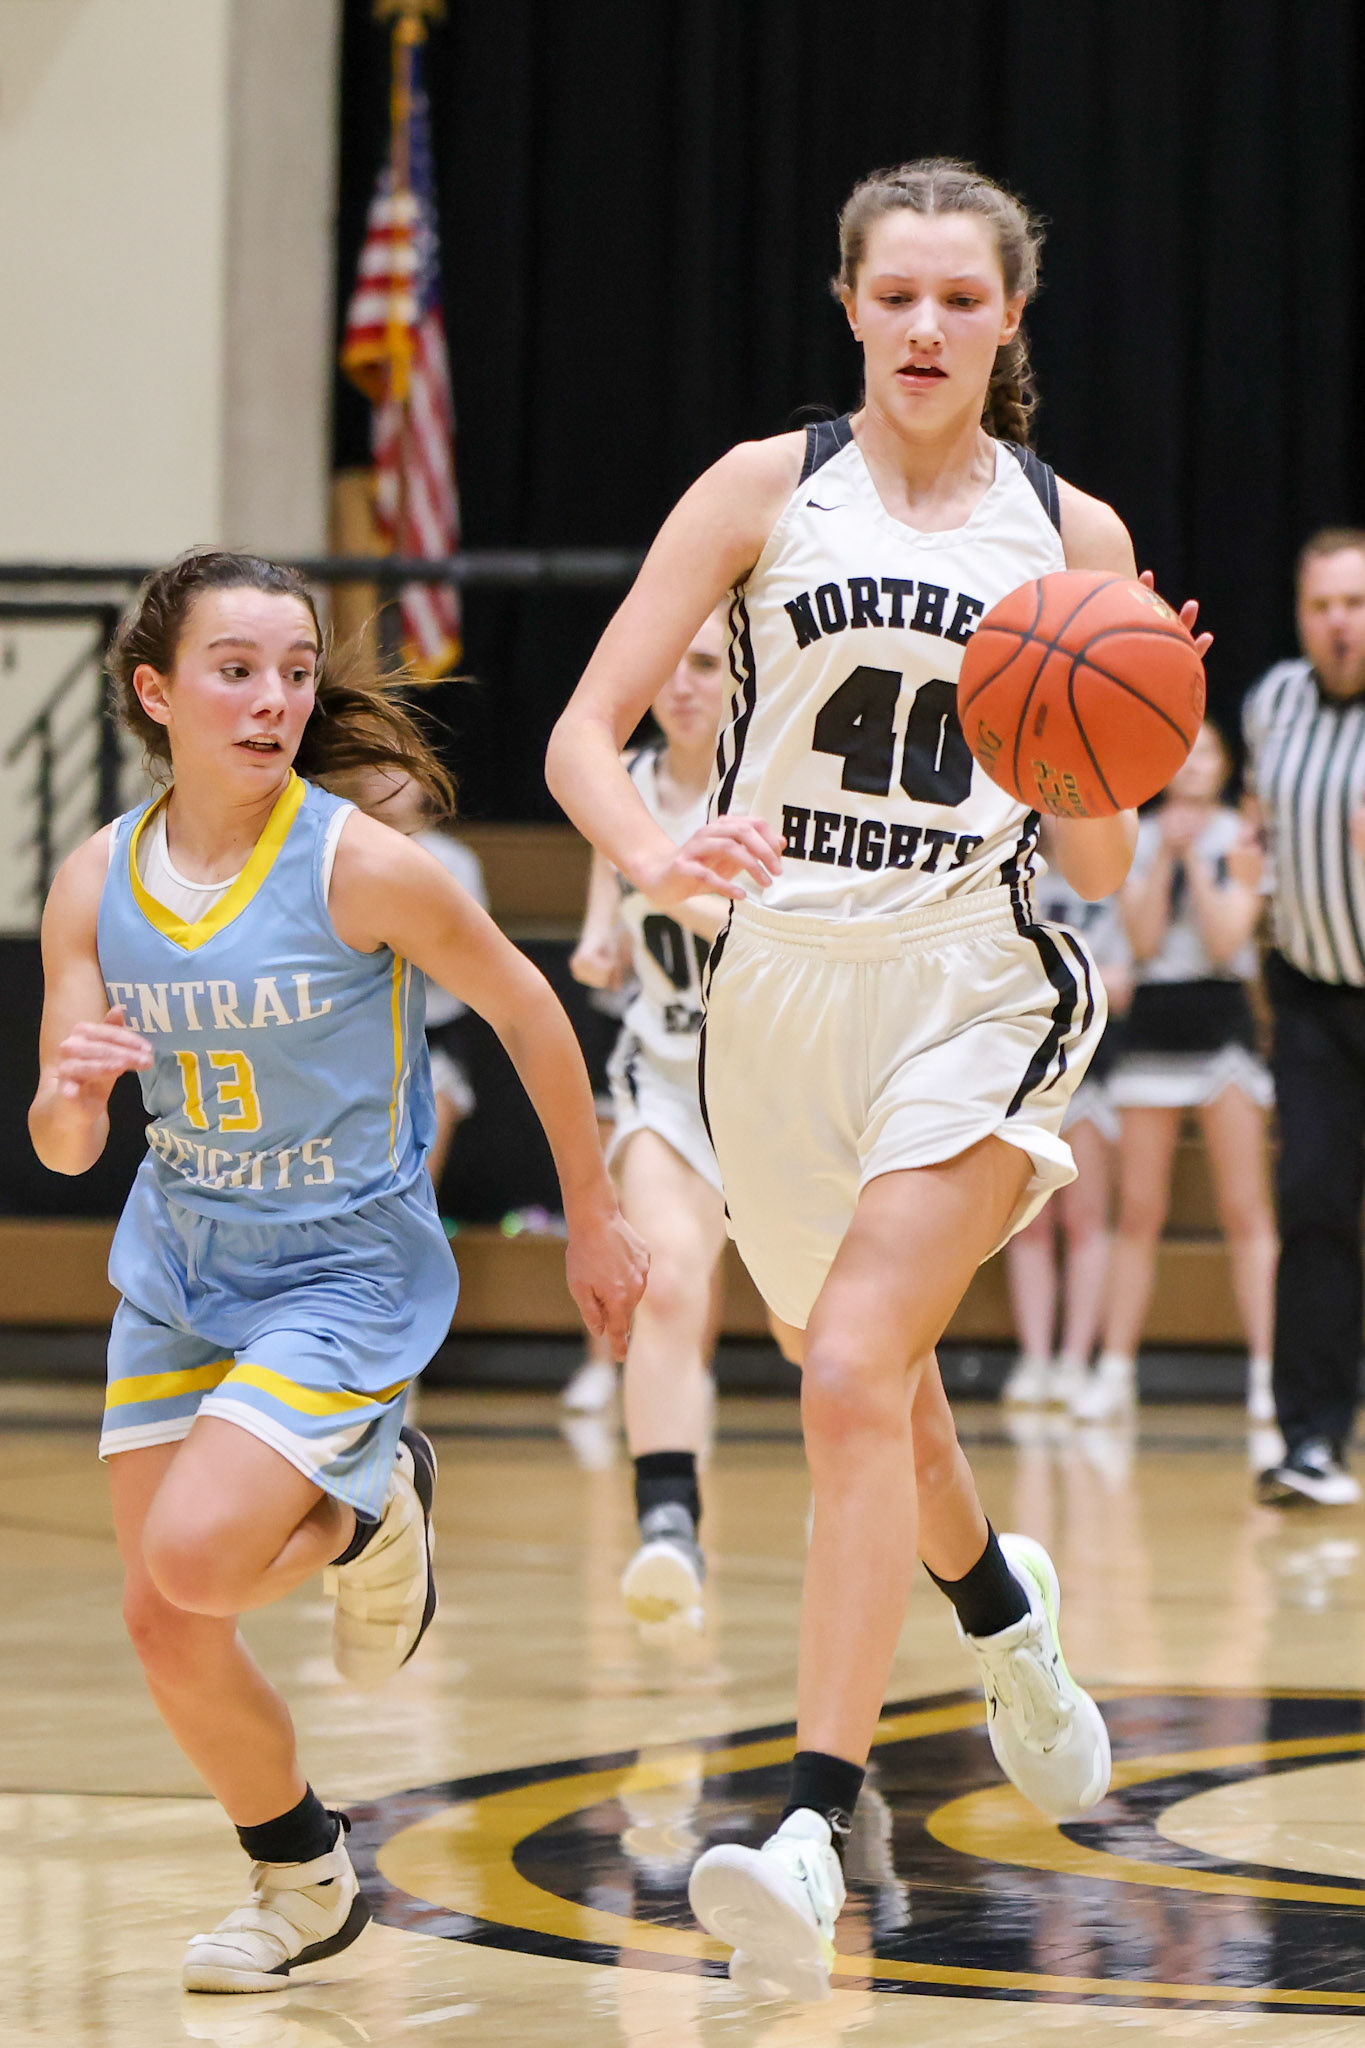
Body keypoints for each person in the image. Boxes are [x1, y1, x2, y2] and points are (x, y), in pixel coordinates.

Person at [547, 157, 1210, 2000]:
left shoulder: (1074, 542)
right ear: (850, 305)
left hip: (978, 985)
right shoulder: (768, 491)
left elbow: (1095, 871)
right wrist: (657, 846)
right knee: (876, 1395)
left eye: (962, 299)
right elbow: (580, 738)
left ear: (1011, 323)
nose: (927, 326)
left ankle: (806, 1819)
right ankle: (1004, 1615)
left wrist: (1129, 738)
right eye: (896, 294)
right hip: (774, 995)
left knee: (849, 1370)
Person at [28, 550, 646, 1995]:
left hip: (341, 1269)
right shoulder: (93, 882)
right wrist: (73, 1089)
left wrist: (597, 1216)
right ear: (155, 691)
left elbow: (529, 1007)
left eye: (296, 672)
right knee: (159, 1622)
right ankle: (304, 1878)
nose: (273, 700)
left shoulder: (359, 863)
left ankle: (372, 1510)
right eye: (237, 671)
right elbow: (63, 1149)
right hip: (183, 1262)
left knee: (194, 1558)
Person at [570, 608, 730, 1632]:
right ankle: (668, 1515)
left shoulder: (777, 784)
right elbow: (602, 933)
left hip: (778, 1084)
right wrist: (600, 953)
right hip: (666, 1074)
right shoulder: (619, 784)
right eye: (669, 666)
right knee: (664, 1279)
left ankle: (880, 1504)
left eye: (705, 663)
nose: (682, 684)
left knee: (830, 1337)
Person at [1070, 722, 1275, 1424]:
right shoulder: (1137, 834)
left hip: (1221, 1025)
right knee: (1139, 1212)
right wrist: (1164, 859)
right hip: (1154, 1025)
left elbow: (1224, 941)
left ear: (1224, 764)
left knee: (1244, 1210)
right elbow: (1145, 939)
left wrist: (1193, 861)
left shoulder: (1245, 835)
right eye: (1181, 752)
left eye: (1207, 752)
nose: (1193, 765)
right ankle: (1114, 1369)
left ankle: (1265, 1372)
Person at [1244, 529, 1365, 1505]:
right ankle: (1311, 1437)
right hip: (1314, 996)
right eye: (1324, 603)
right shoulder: (1274, 703)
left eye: (1356, 604)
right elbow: (1259, 822)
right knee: (1315, 1207)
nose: (1340, 623)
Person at [1001, 827, 1131, 1408]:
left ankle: (1077, 1360)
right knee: (1025, 1224)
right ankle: (1034, 1359)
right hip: (1019, 1071)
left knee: (1085, 1219)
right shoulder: (1007, 872)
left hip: (1086, 1069)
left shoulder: (1104, 881)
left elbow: (1123, 985)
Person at [345, 767, 489, 1210]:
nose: (386, 781)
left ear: (425, 778)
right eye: (375, 767)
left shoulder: (455, 861)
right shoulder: (343, 849)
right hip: (356, 1039)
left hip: (433, 1038)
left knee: (416, 1185)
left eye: (400, 769)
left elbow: (473, 957)